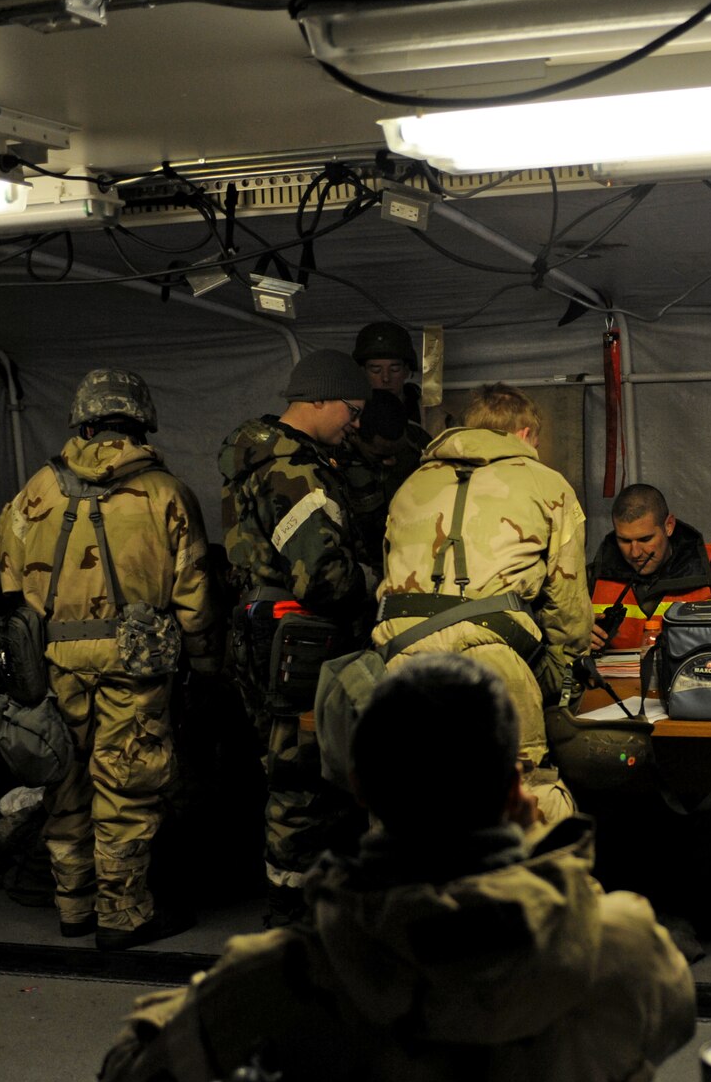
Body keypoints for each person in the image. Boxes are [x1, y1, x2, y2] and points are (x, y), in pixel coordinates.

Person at [97, 653, 697, 1082]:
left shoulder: (284, 976)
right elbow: (669, 1022)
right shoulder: (622, 940)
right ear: (517, 787)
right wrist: (539, 856)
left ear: (361, 788)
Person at [0, 368, 218, 950]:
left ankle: (74, 909)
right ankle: (123, 915)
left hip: (51, 659)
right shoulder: (167, 493)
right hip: (134, 661)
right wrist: (206, 665)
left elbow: (6, 582)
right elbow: (194, 594)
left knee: (63, 781)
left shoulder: (35, 490)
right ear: (140, 423)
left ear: (84, 422)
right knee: (127, 786)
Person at [373, 383, 591, 829]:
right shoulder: (547, 484)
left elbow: (390, 578)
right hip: (494, 662)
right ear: (526, 433)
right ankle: (531, 896)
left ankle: (413, 897)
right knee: (522, 793)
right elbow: (567, 603)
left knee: (408, 796)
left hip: (401, 664)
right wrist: (562, 673)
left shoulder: (410, 485)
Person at [218, 348, 373, 920]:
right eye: (351, 411)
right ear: (319, 400)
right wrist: (376, 581)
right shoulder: (297, 473)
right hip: (300, 641)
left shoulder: (254, 459)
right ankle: (293, 908)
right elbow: (325, 578)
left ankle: (295, 897)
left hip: (264, 631)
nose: (354, 424)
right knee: (302, 775)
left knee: (286, 769)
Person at [588, 483, 711, 652]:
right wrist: (577, 639)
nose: (635, 553)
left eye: (645, 539)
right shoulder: (591, 577)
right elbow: (561, 641)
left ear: (669, 526)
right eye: (624, 540)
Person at [342, 321, 432, 572]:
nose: (384, 378)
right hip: (358, 561)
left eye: (394, 368)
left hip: (410, 555)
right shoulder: (341, 432)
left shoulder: (419, 437)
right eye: (375, 369)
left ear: (406, 371)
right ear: (361, 371)